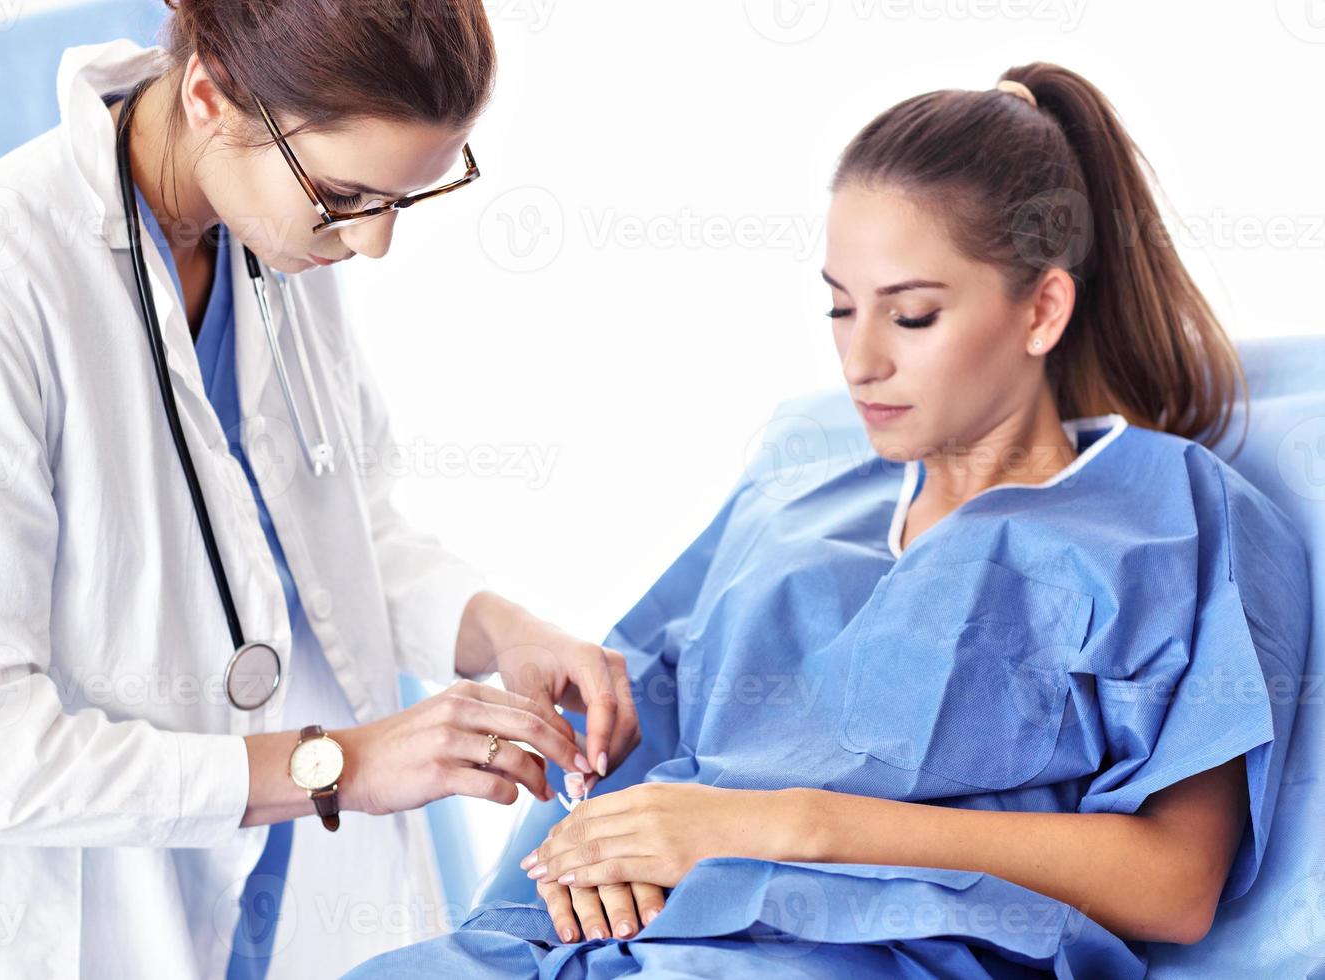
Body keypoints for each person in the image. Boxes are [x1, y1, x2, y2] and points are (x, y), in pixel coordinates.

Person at [342, 63, 1311, 978]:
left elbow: (1174, 881)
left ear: (1042, 309)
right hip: (629, 940)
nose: (861, 361)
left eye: (912, 314)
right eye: (841, 310)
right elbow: (633, 750)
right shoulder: (796, 498)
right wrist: (604, 852)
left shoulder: (1172, 522)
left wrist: (781, 822)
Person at [0, 1, 640, 977]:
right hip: (77, 921)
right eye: (352, 194)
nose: (373, 244)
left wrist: (501, 631)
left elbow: (336, 534)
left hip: (274, 894)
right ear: (208, 95)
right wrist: (340, 764)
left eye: (404, 199)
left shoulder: (272, 228)